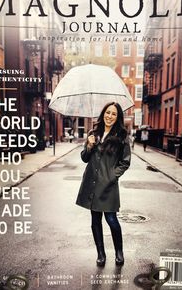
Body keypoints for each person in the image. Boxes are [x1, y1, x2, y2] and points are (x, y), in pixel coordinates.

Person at [76, 102, 131, 267]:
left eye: (114, 114)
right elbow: (84, 158)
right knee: (95, 220)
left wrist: (112, 176)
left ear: (117, 117)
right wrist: (89, 145)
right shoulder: (94, 132)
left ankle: (119, 252)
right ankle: (101, 253)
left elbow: (125, 162)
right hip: (91, 182)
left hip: (108, 186)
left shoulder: (121, 136)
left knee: (112, 219)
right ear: (103, 113)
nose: (110, 116)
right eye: (108, 112)